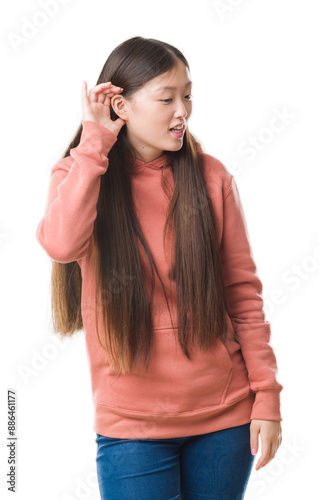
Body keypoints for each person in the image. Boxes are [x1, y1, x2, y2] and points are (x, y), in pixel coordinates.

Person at [36, 36, 283, 500]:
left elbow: (243, 295)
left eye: (187, 95)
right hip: (132, 429)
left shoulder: (211, 176)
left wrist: (267, 397)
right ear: (120, 106)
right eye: (166, 98)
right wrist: (95, 144)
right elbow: (62, 244)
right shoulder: (79, 175)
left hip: (225, 421)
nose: (182, 111)